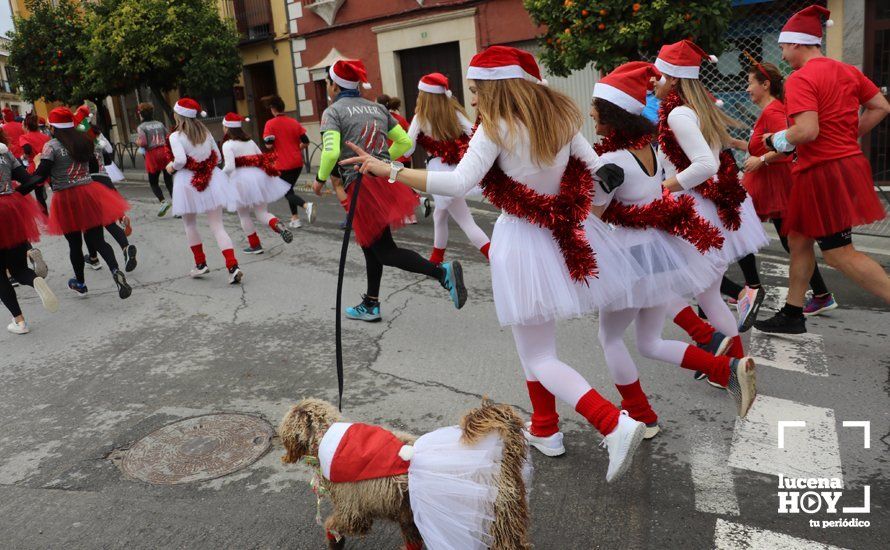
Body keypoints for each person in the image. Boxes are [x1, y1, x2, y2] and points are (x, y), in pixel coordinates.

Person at [341, 46, 649, 482]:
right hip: (559, 237)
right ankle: (546, 429)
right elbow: (598, 170)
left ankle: (614, 424)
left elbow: (458, 181)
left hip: (522, 240)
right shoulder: (561, 117)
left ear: (494, 86)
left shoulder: (496, 128)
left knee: (539, 354)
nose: (473, 98)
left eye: (476, 89)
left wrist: (388, 170)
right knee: (536, 347)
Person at [590, 62, 757, 433]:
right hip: (656, 254)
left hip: (629, 258)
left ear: (614, 116)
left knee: (611, 337)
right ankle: (723, 368)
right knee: (649, 341)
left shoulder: (610, 162)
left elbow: (593, 217)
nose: (593, 118)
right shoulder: (645, 150)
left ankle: (641, 415)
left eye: (597, 112)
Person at [755, 5, 890, 334]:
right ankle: (792, 312)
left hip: (822, 172)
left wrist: (774, 139)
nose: (783, 54)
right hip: (836, 167)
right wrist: (849, 134)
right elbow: (881, 106)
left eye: (784, 46)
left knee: (840, 254)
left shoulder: (801, 78)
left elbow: (806, 131)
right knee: (799, 239)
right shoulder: (847, 71)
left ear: (798, 44)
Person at [313, 59, 467, 322]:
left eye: (328, 82)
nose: (328, 87)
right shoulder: (377, 108)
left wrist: (319, 179)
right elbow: (404, 141)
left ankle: (441, 273)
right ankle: (371, 303)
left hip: (362, 186)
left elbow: (331, 152)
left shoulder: (333, 112)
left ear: (334, 85)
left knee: (384, 250)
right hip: (383, 181)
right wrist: (382, 162)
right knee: (369, 244)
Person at [652, 40, 769, 369]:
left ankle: (727, 360)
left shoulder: (678, 114)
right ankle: (735, 364)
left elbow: (706, 165)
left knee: (657, 284)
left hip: (696, 212)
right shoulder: (694, 110)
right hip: (707, 207)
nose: (652, 81)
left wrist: (664, 186)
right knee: (708, 296)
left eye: (657, 75)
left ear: (673, 79)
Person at [728, 60, 837, 317]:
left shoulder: (774, 111)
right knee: (790, 242)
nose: (747, 89)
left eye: (750, 83)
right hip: (768, 185)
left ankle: (753, 288)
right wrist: (735, 142)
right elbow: (763, 145)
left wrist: (761, 160)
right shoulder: (771, 110)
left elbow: (787, 147)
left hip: (774, 184)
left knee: (740, 230)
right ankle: (821, 294)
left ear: (765, 85)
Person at [16, 107, 132, 299]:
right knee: (98, 239)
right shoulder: (84, 141)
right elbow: (94, 167)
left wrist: (20, 192)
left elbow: (40, 176)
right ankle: (115, 270)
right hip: (88, 192)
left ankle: (81, 283)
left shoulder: (51, 146)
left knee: (75, 245)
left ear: (53, 127)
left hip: (66, 198)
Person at [405, 73, 491, 263]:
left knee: (466, 222)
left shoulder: (421, 117)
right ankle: (436, 259)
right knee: (439, 214)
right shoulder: (455, 111)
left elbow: (408, 146)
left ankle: (497, 259)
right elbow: (475, 134)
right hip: (459, 167)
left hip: (439, 171)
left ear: (425, 96)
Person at [166, 98, 243, 284]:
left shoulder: (175, 136)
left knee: (190, 225)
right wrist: (204, 166)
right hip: (211, 178)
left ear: (179, 115)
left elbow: (181, 161)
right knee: (217, 226)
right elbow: (216, 158)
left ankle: (200, 264)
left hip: (187, 180)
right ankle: (233, 266)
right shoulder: (206, 132)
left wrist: (170, 166)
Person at [0, 138, 58, 334]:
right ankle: (34, 280)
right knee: (18, 269)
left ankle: (20, 321)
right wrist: (13, 194)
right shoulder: (4, 152)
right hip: (11, 209)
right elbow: (30, 180)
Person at [221, 112, 293, 254]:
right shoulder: (250, 141)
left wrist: (219, 176)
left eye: (223, 126)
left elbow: (229, 167)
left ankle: (255, 245)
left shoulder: (228, 145)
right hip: (258, 178)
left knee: (244, 215)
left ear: (227, 128)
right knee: (261, 213)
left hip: (240, 181)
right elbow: (261, 158)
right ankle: (276, 224)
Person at [263, 95, 315, 228]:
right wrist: (296, 148)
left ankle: (306, 205)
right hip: (297, 162)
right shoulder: (294, 122)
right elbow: (306, 141)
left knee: (285, 191)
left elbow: (268, 145)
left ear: (273, 109)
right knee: (289, 189)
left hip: (282, 163)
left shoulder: (270, 124)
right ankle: (295, 219)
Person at [135, 102, 175, 217]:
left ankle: (163, 202)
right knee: (169, 181)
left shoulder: (141, 127)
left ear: (141, 115)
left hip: (152, 155)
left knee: (153, 182)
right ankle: (178, 207)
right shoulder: (160, 124)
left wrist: (138, 142)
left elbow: (143, 142)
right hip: (164, 152)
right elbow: (168, 137)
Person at [19, 113, 51, 213]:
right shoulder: (45, 137)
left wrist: (24, 156)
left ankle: (45, 216)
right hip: (48, 164)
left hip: (35, 165)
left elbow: (27, 150)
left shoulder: (24, 137)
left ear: (26, 126)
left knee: (39, 195)